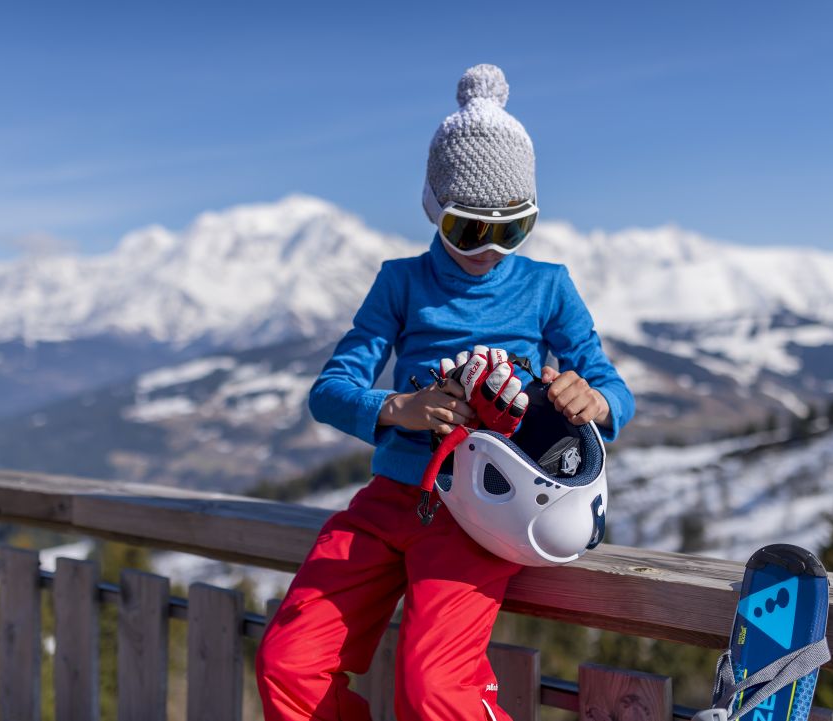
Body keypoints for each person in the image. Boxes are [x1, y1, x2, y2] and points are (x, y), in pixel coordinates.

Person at [256, 63, 635, 721]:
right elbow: (329, 391)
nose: (488, 249)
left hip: (482, 516)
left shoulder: (547, 287)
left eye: (511, 228)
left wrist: (593, 402)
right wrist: (396, 408)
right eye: (468, 228)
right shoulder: (400, 283)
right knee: (289, 661)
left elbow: (610, 388)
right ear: (434, 208)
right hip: (389, 501)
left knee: (436, 688)